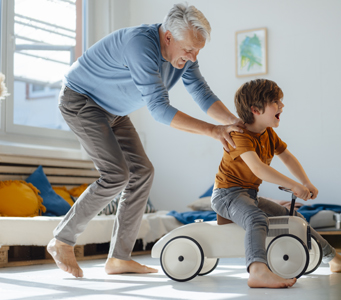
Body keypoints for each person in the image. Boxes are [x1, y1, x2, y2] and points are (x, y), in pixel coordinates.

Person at [47, 3, 244, 278]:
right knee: (116, 174)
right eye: (188, 50)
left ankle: (119, 258)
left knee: (143, 172)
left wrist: (233, 123)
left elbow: (200, 91)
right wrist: (213, 131)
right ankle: (61, 240)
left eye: (197, 51)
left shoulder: (184, 53)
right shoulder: (140, 45)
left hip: (113, 111)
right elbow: (160, 110)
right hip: (81, 100)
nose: (192, 57)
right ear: (168, 37)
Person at [211, 79, 341, 288]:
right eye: (275, 102)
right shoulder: (238, 135)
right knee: (256, 218)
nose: (282, 105)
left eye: (280, 101)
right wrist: (293, 186)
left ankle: (334, 259)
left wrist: (305, 182)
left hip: (248, 194)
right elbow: (258, 168)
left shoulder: (268, 134)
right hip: (226, 195)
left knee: (294, 218)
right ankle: (257, 271)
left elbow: (287, 157)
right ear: (255, 109)